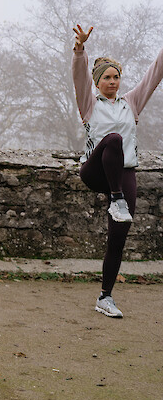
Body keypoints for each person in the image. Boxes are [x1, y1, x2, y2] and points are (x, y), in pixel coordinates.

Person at [71, 24, 163, 318]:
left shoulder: (131, 103)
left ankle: (105, 297)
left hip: (124, 174)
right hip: (95, 171)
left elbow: (154, 75)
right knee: (113, 139)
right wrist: (80, 49)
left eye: (116, 77)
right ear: (98, 82)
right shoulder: (89, 104)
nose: (113, 81)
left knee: (118, 238)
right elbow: (79, 78)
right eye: (107, 78)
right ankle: (116, 199)